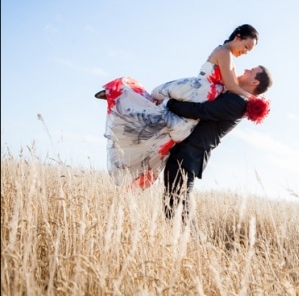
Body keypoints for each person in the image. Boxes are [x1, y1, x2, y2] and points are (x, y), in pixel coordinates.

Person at [96, 24, 260, 189]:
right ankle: (122, 95)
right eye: (246, 47)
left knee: (165, 124)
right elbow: (231, 86)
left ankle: (125, 104)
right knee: (159, 114)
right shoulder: (225, 53)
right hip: (198, 91)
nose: (245, 52)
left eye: (248, 51)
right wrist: (252, 98)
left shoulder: (230, 58)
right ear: (237, 37)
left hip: (203, 95)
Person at [163, 65, 273, 222]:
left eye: (252, 71)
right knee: (173, 205)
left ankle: (191, 244)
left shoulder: (237, 102)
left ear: (255, 82)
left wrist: (169, 103)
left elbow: (200, 110)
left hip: (190, 154)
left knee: (178, 207)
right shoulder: (234, 96)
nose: (247, 69)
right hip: (187, 152)